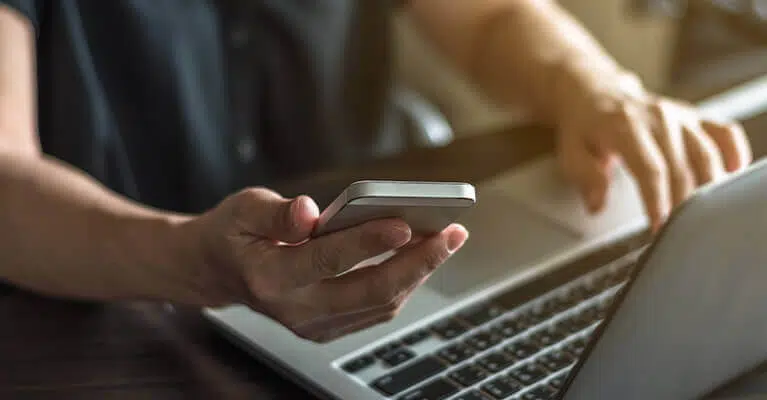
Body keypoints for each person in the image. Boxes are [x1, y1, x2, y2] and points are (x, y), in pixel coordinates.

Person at [0, 0, 752, 343]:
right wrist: (198, 264)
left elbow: (488, 18)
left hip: (398, 272)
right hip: (118, 305)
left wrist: (592, 86)